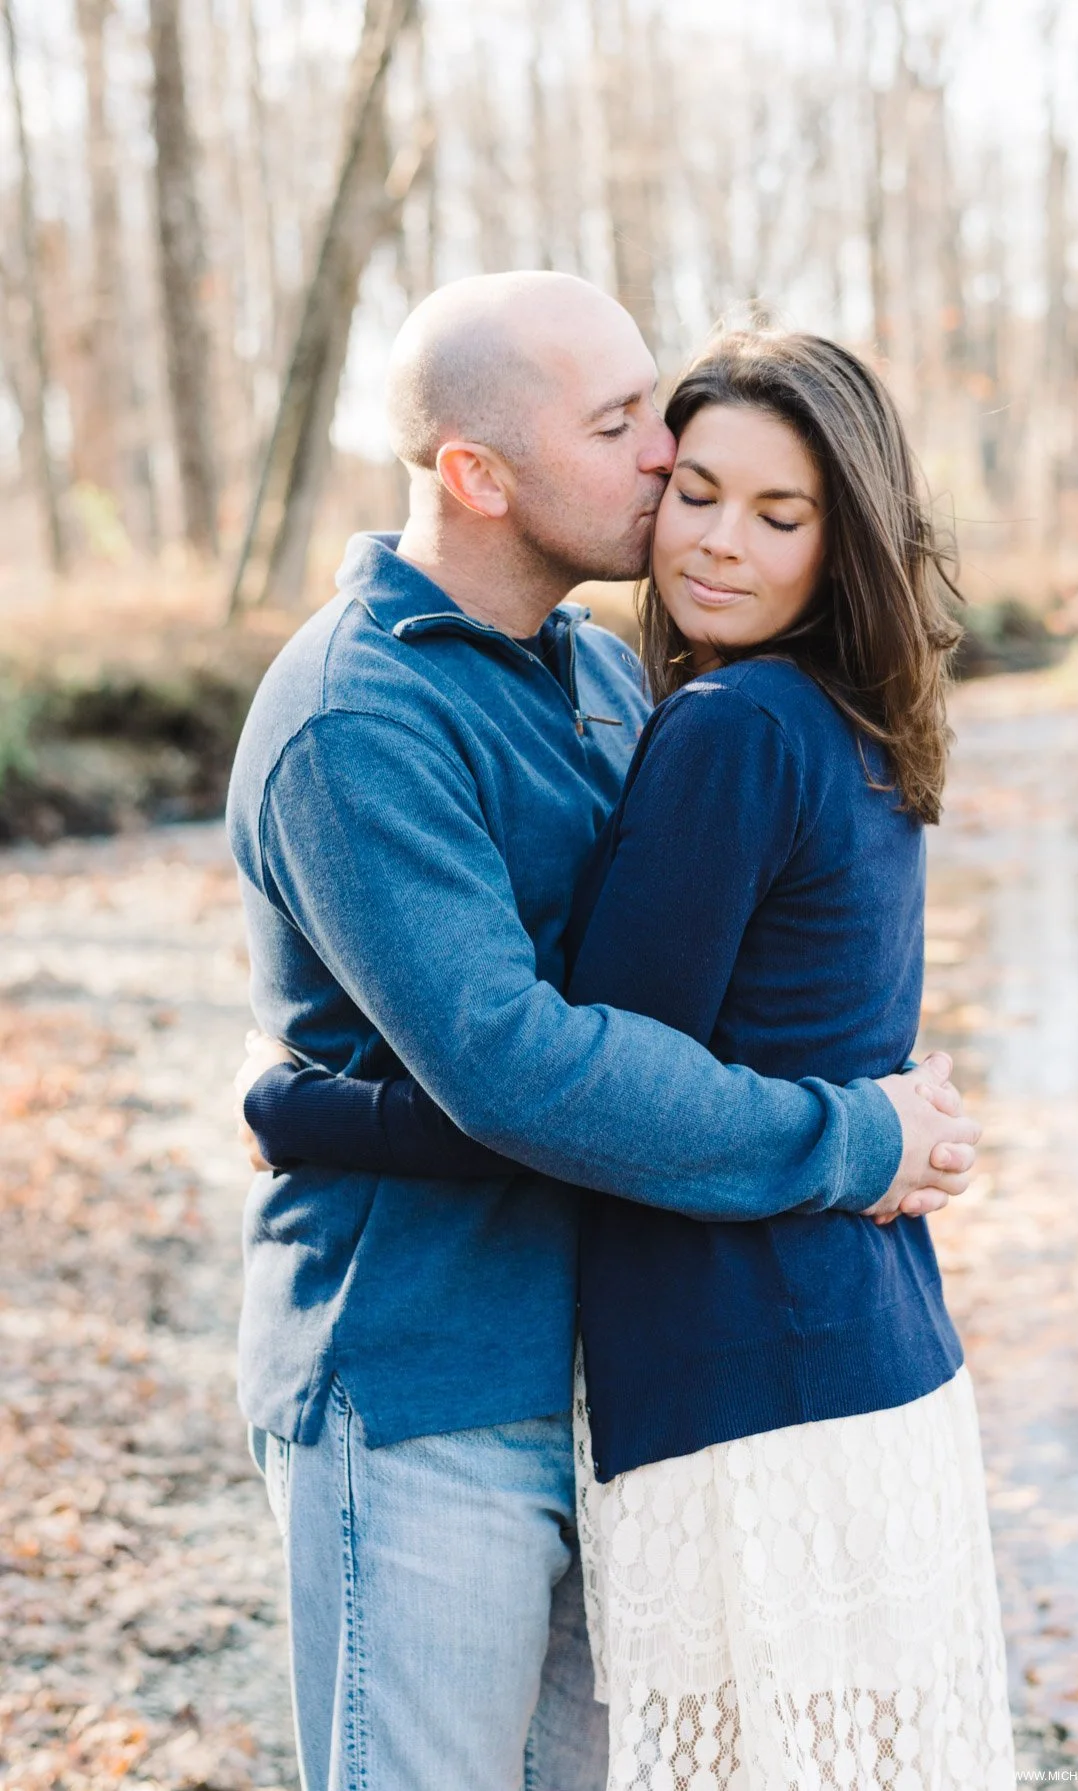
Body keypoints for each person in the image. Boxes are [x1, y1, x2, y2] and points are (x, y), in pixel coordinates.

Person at [226, 275, 983, 1791]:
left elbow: (669, 1011)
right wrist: (856, 1135)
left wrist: (316, 1103)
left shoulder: (599, 676)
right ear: (479, 475)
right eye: (625, 423)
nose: (663, 453)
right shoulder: (357, 716)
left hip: (609, 1375)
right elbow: (524, 1066)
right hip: (425, 1377)